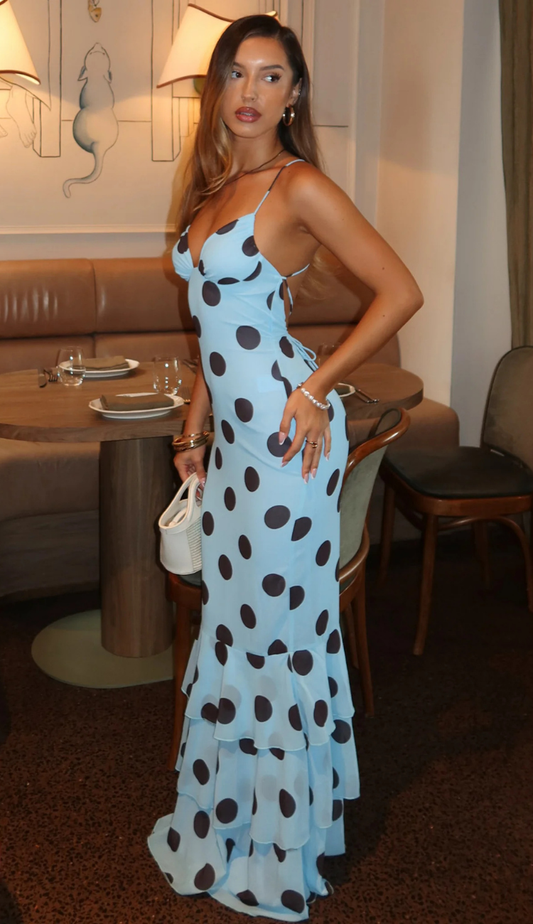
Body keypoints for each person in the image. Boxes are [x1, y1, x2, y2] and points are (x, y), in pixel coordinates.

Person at [148, 13, 423, 922]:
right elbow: (213, 332)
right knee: (236, 629)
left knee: (271, 636)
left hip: (285, 444)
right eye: (236, 73)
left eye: (270, 76)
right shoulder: (213, 189)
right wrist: (192, 431)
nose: (249, 92)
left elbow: (400, 290)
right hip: (234, 450)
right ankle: (224, 823)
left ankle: (274, 849)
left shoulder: (297, 184)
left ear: (294, 94)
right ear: (216, 88)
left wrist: (317, 389)